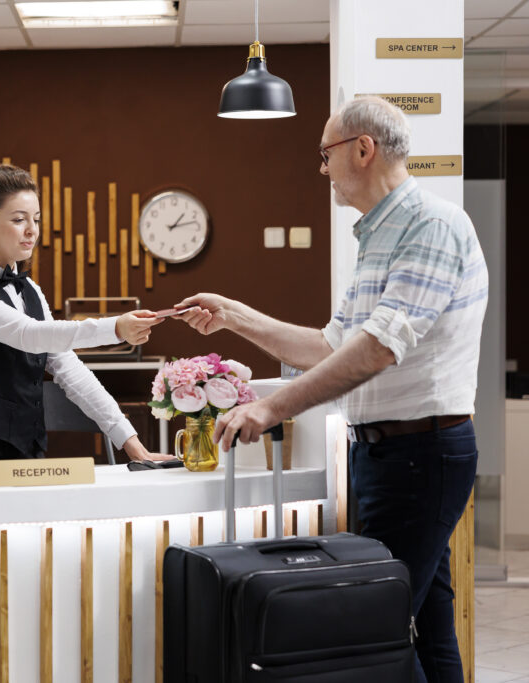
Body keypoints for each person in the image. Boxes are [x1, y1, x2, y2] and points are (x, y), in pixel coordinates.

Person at [173, 96, 487, 683]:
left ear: (362, 150)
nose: (322, 169)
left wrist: (271, 406)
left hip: (422, 455)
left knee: (375, 628)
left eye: (326, 154)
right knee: (426, 627)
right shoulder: (377, 237)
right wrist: (234, 315)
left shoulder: (432, 227)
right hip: (386, 455)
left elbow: (376, 350)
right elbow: (331, 345)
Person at [0, 164, 174, 474]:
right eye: (19, 220)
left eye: (36, 220)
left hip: (30, 451)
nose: (32, 230)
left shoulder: (29, 288)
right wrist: (116, 328)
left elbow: (68, 368)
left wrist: (132, 443)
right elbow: (29, 334)